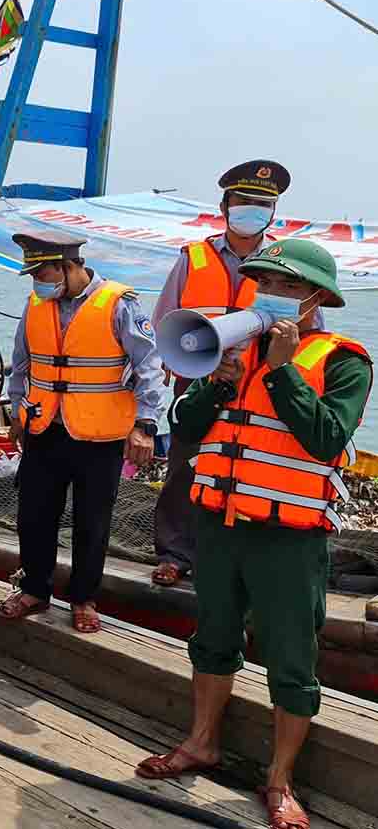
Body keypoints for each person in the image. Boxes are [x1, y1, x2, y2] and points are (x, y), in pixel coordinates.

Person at [136, 239, 371, 829]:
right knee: (212, 639)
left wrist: (284, 370)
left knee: (292, 658)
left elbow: (325, 439)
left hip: (287, 539)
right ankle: (201, 743)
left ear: (316, 298)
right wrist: (218, 381)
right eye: (264, 282)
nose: (270, 294)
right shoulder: (233, 350)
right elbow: (186, 427)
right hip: (218, 526)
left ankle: (280, 780)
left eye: (287, 286)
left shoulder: (343, 361)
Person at [0, 231, 164, 634]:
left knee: (93, 522)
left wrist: (145, 425)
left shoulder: (119, 304)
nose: (38, 281)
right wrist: (16, 410)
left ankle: (83, 599)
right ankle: (35, 589)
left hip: (100, 435)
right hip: (45, 428)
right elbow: (22, 363)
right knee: (33, 516)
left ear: (68, 267)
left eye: (43, 272)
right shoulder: (36, 304)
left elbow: (149, 365)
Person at [150, 160, 289, 587]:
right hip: (196, 379)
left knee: (248, 467)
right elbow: (164, 323)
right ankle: (175, 554)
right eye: (243, 201)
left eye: (261, 203)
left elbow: (310, 327)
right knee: (184, 468)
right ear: (224, 206)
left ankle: (235, 559)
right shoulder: (193, 258)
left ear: (274, 212)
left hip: (258, 386)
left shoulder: (287, 263)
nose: (251, 209)